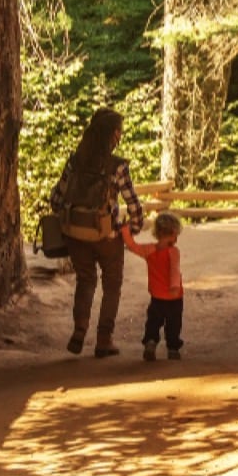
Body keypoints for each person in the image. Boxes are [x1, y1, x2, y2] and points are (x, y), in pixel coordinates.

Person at [50, 108, 144, 357]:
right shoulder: (118, 166)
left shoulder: (74, 161)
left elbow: (56, 198)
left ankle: (79, 330)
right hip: (106, 236)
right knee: (112, 284)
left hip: (75, 234)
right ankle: (104, 338)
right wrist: (131, 229)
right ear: (114, 134)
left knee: (85, 279)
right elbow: (133, 205)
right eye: (119, 131)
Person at [121, 212, 184, 361]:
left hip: (156, 297)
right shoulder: (173, 252)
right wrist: (174, 286)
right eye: (176, 236)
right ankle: (173, 348)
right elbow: (174, 270)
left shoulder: (149, 250)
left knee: (153, 322)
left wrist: (124, 229)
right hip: (174, 298)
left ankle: (150, 342)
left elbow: (131, 246)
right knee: (173, 324)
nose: (176, 239)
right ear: (172, 233)